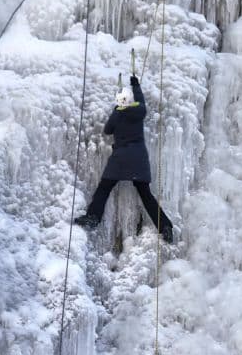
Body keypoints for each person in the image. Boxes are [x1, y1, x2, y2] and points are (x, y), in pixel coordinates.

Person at [74, 75, 173, 243]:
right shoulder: (140, 110)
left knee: (105, 187)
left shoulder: (117, 115)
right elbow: (141, 101)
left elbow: (107, 130)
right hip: (138, 159)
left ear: (119, 101)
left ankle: (93, 217)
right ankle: (165, 226)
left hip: (120, 159)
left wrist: (116, 111)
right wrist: (136, 85)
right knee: (145, 194)